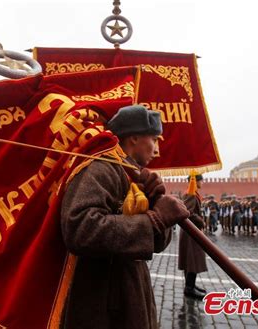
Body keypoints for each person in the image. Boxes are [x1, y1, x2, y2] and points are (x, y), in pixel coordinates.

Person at [60, 105, 190, 329]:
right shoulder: (101, 169)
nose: (157, 149)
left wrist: (156, 204)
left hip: (130, 290)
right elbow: (80, 227)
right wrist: (154, 220)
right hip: (103, 302)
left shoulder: (132, 175)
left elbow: (154, 243)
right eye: (154, 139)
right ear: (135, 138)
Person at [178, 174, 208, 300]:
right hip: (191, 233)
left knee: (191, 260)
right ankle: (189, 288)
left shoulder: (192, 193)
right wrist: (201, 221)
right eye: (201, 180)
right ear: (195, 181)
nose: (203, 182)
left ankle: (191, 285)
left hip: (191, 232)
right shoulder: (190, 194)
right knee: (192, 259)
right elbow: (189, 213)